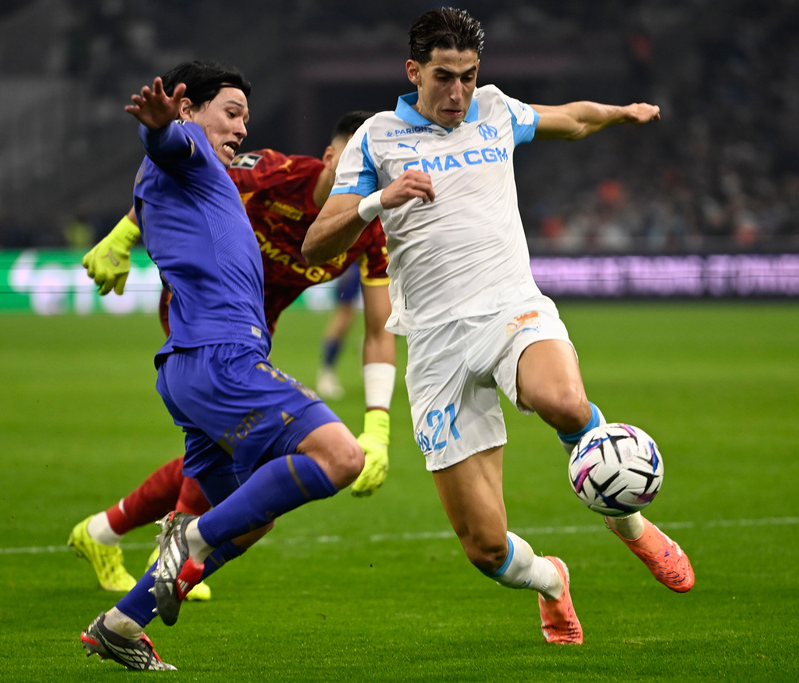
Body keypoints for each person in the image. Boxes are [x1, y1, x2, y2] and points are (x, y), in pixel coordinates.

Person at [302, 8, 694, 646]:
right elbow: (317, 243)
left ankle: (630, 524)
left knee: (565, 402)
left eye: (468, 75)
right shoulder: (375, 138)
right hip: (435, 344)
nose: (458, 92)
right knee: (485, 548)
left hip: (511, 308)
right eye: (443, 76)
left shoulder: (494, 109)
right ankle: (552, 581)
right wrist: (378, 200)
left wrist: (620, 113)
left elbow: (572, 119)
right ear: (413, 71)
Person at [79, 60, 365, 671]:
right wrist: (160, 126)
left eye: (245, 117)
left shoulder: (184, 175)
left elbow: (168, 154)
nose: (241, 128)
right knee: (342, 457)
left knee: (252, 519)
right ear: (189, 108)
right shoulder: (189, 153)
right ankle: (190, 534)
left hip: (188, 367)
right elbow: (169, 141)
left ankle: (122, 624)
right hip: (223, 358)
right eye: (231, 113)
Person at [315, 262, 362, 400]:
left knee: (393, 316)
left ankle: (368, 347)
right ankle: (327, 372)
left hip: (381, 260)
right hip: (354, 262)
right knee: (344, 315)